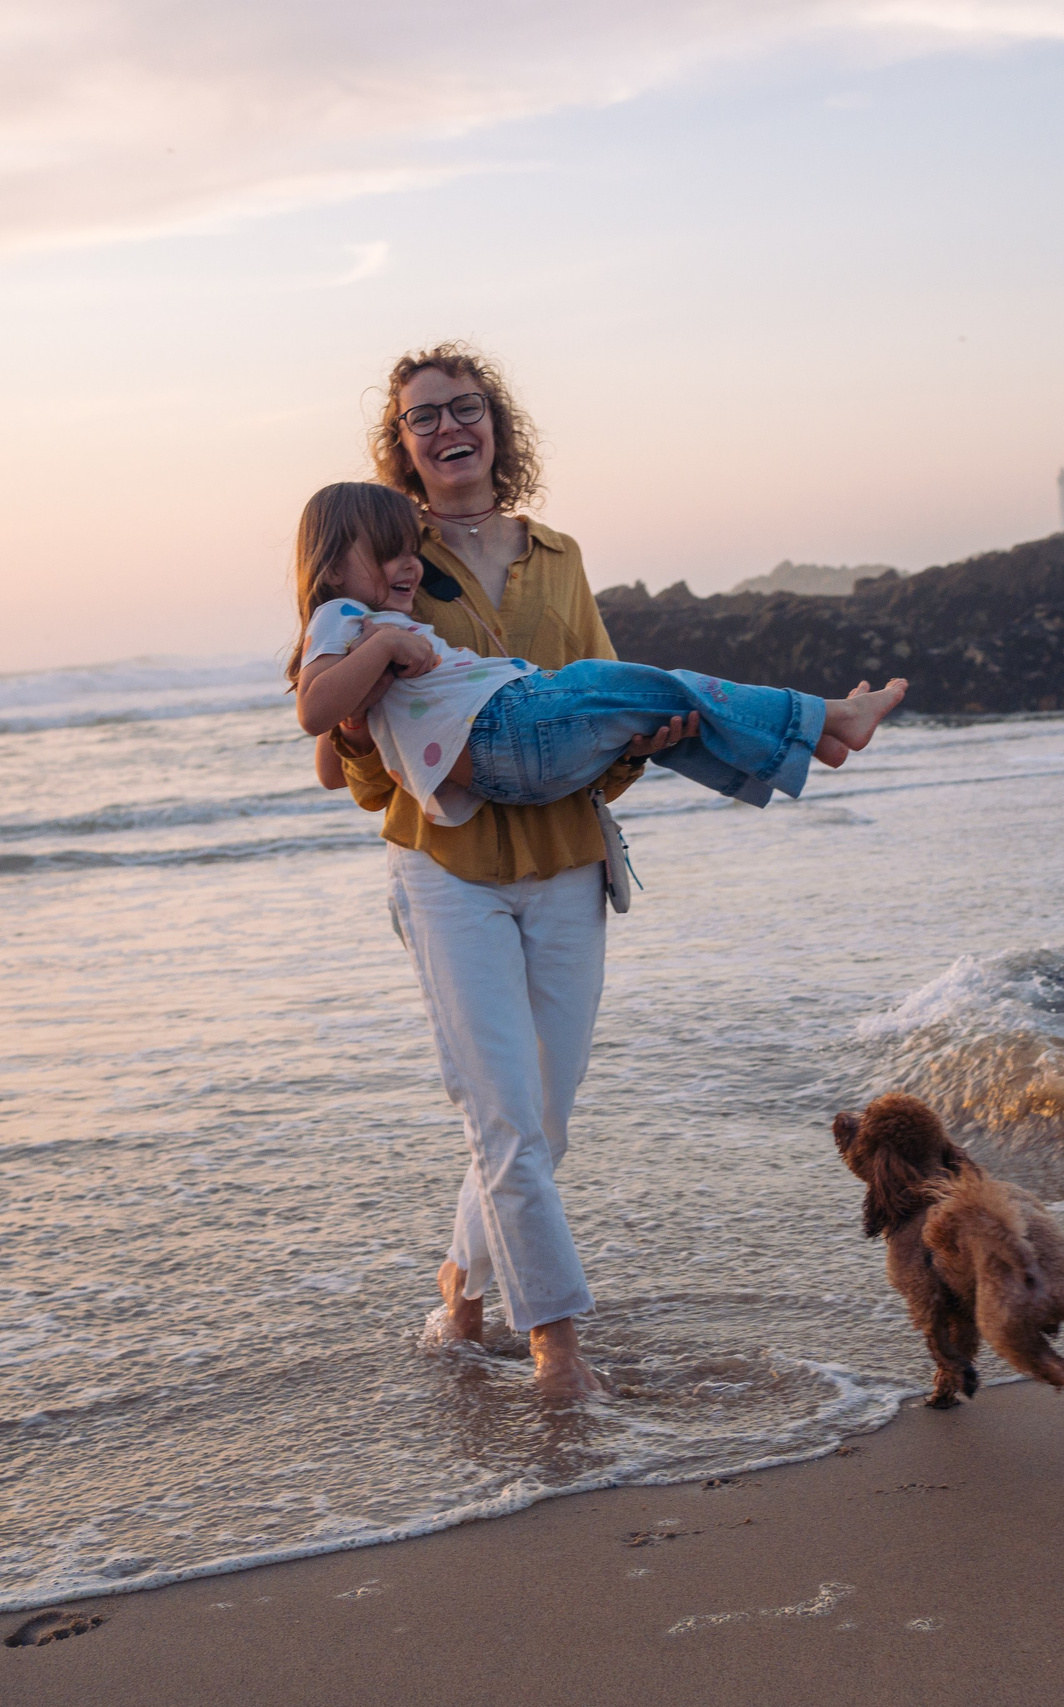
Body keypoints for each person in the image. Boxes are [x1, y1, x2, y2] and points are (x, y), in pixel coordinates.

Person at [296, 345, 703, 1398]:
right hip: (448, 870)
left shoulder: (559, 557)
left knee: (545, 1118)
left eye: (463, 408)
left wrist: (634, 747)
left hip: (568, 858)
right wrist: (392, 750)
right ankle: (556, 1347)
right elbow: (336, 736)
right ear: (404, 444)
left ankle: (463, 1283)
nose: (445, 428)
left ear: (495, 423)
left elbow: (603, 697)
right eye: (422, 417)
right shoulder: (383, 558)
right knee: (503, 1120)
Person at [293, 483, 905, 820]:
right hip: (503, 733)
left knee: (661, 718)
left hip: (512, 775)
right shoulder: (340, 618)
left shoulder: (364, 628)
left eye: (411, 552)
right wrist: (385, 650)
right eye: (385, 553)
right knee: (643, 686)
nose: (408, 566)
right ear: (332, 567)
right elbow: (316, 717)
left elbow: (326, 765)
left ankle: (804, 740)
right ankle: (826, 719)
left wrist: (373, 672)